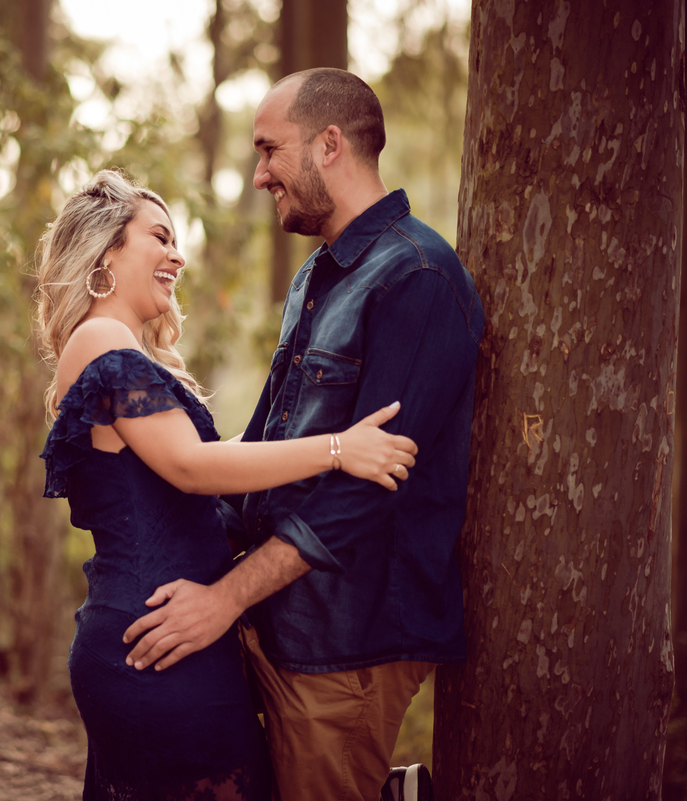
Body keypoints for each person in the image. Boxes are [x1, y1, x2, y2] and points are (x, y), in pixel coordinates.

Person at [121, 69, 484, 801]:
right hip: (280, 618)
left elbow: (367, 492)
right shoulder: (319, 275)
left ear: (328, 145)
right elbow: (263, 445)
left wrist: (224, 597)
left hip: (349, 641)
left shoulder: (417, 277)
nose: (258, 175)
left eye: (268, 150)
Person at [36, 168, 420, 801]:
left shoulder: (126, 355)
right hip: (155, 643)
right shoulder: (102, 338)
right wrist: (335, 451)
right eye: (158, 238)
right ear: (106, 253)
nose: (176, 256)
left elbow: (218, 459)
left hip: (171, 634)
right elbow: (193, 467)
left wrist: (333, 422)